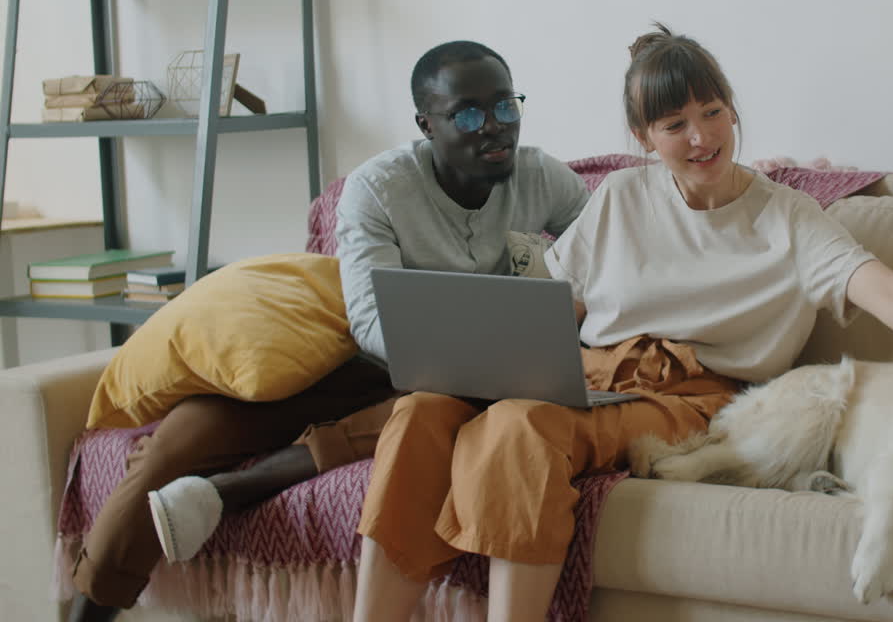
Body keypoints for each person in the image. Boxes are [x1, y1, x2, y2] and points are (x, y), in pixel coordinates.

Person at [348, 24, 893, 622]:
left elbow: (892, 296)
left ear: (731, 110)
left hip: (692, 398)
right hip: (590, 378)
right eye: (674, 124)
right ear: (643, 136)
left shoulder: (788, 219)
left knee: (517, 428)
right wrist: (484, 364)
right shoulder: (620, 201)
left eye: (712, 113)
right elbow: (552, 306)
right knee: (418, 415)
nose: (700, 138)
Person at [66, 40, 590, 622]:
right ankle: (89, 606)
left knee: (440, 408)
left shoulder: (546, 179)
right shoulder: (379, 189)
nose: (493, 128)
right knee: (176, 446)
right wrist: (449, 353)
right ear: (426, 123)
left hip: (454, 390)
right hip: (349, 363)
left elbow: (610, 251)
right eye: (468, 113)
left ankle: (229, 492)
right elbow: (367, 320)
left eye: (505, 107)